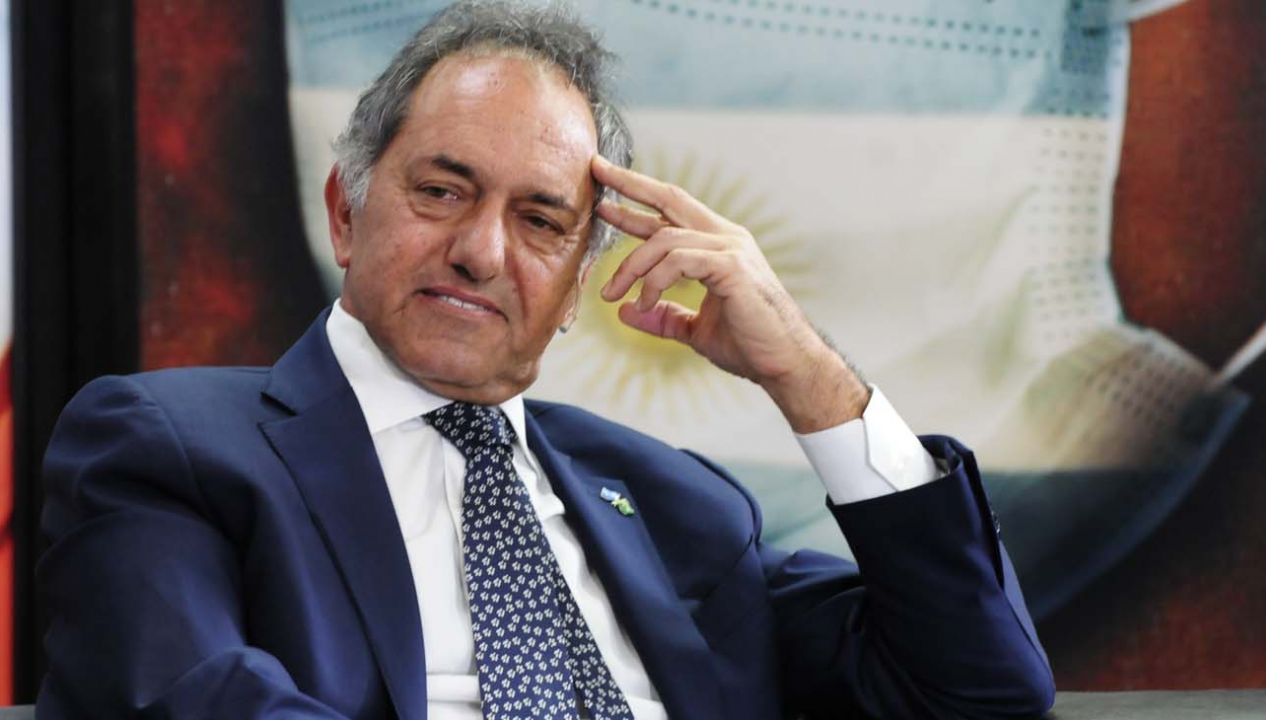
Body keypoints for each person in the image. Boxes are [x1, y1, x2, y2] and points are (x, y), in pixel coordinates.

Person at [37, 1, 1054, 718]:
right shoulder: (170, 447)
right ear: (347, 213)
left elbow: (979, 685)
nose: (481, 251)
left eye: (540, 220)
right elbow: (194, 700)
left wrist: (804, 371)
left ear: (576, 289)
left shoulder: (679, 508)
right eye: (442, 191)